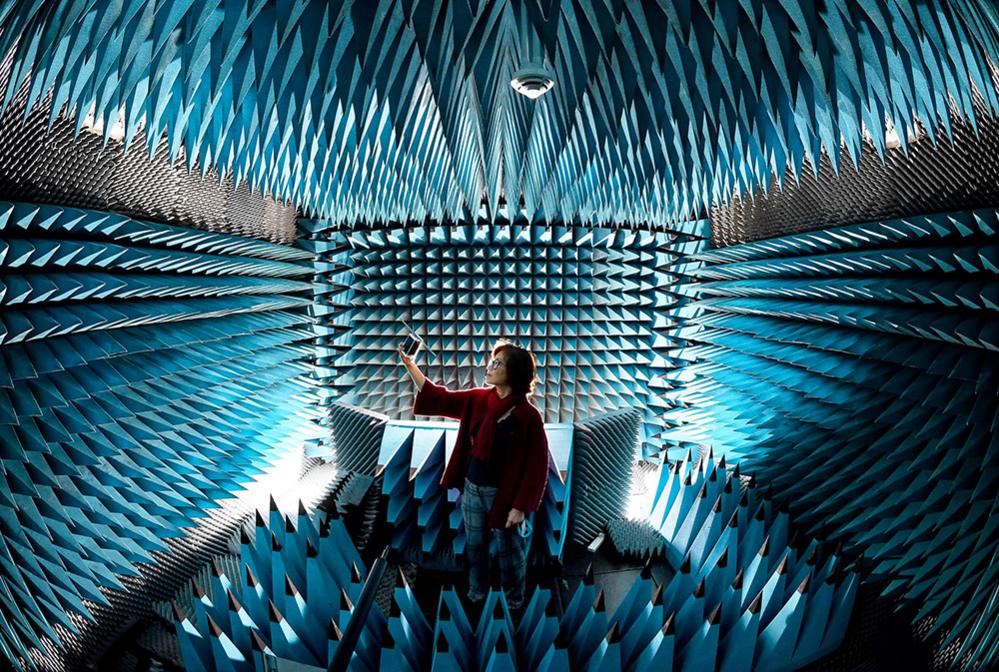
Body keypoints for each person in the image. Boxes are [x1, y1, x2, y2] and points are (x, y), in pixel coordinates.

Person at [400, 338, 550, 610]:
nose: (490, 367)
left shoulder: (529, 416)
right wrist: (411, 365)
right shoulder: (478, 399)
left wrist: (519, 507)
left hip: (503, 497)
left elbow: (537, 466)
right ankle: (476, 592)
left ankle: (515, 602)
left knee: (510, 553)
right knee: (475, 548)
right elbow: (439, 397)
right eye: (492, 361)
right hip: (472, 489)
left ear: (513, 372)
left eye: (498, 363)